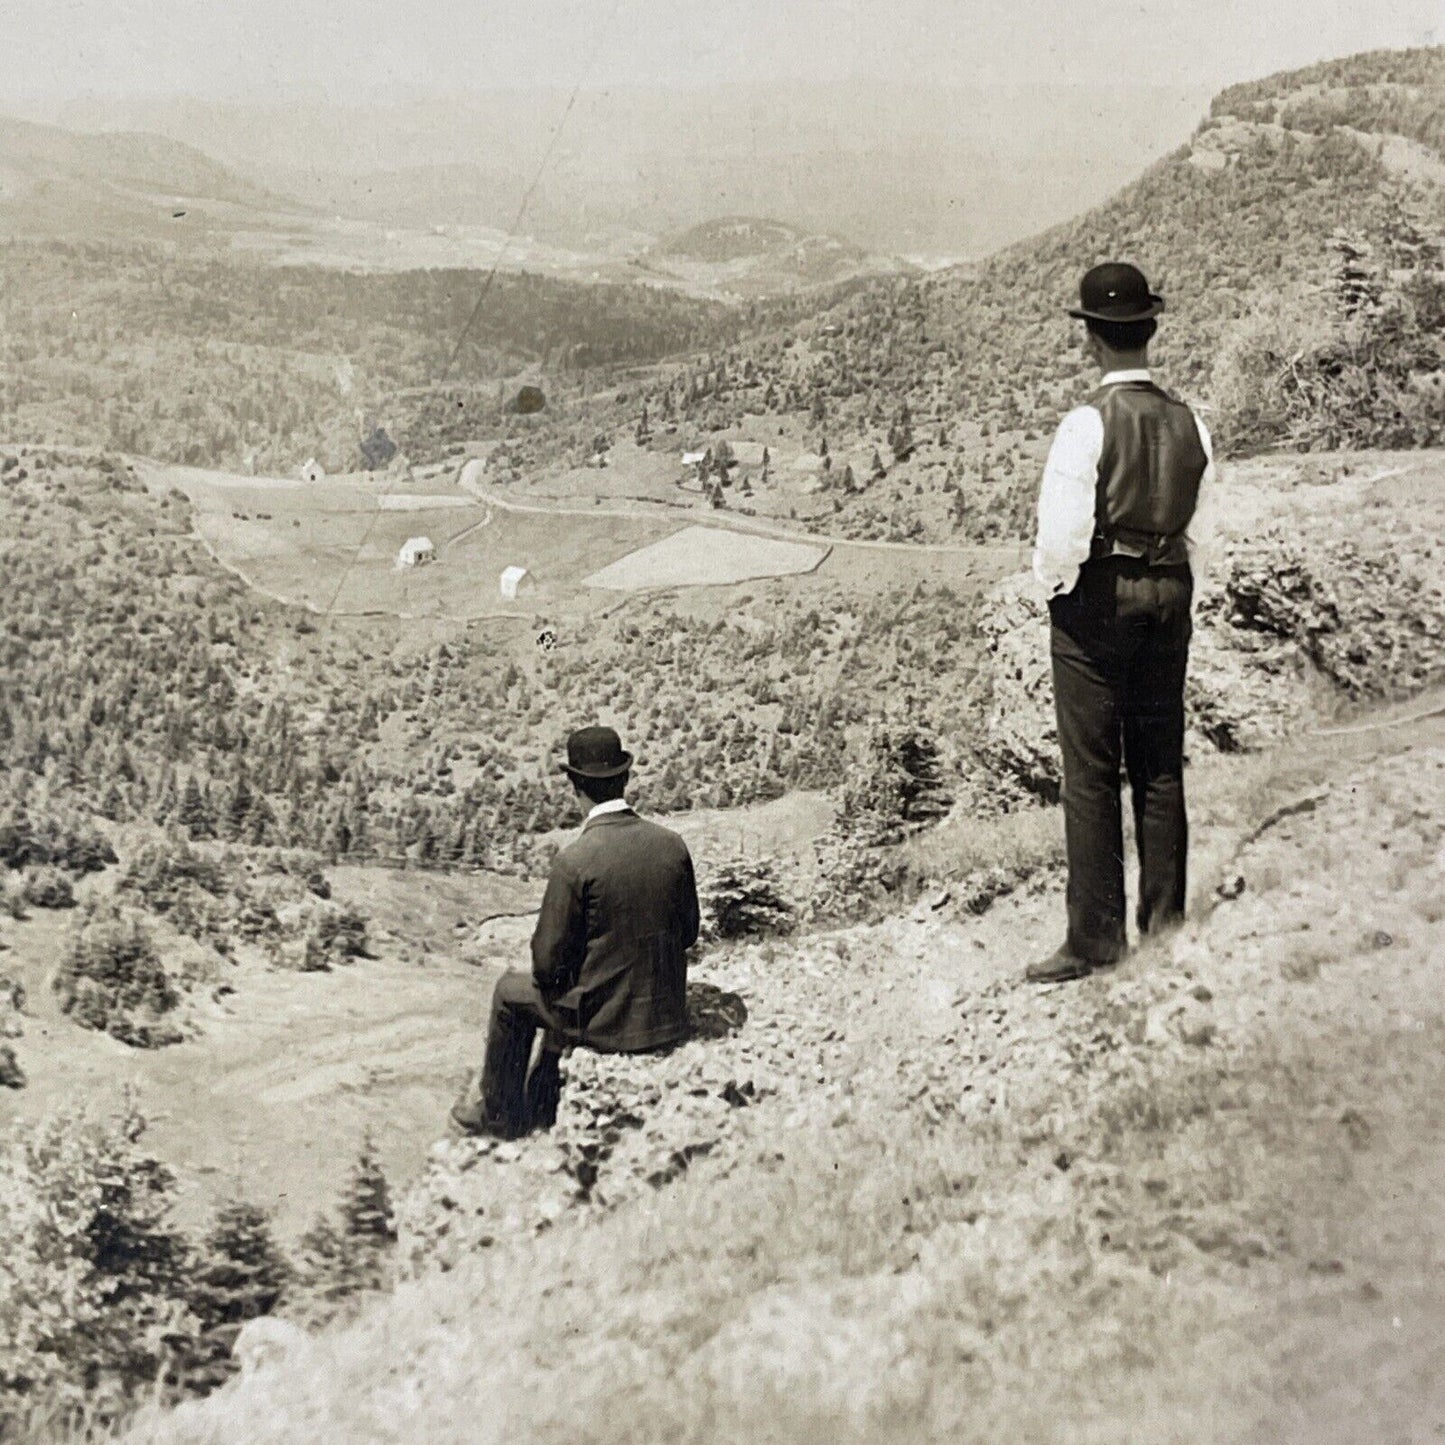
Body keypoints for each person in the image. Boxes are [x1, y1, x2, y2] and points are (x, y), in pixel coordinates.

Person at [1027, 262, 1216, 984]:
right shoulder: (1189, 421)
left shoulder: (1085, 425)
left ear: (1090, 340)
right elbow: (1205, 524)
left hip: (1099, 600)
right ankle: (1163, 922)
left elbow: (1062, 536)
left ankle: (1095, 938)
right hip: (1170, 591)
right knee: (1160, 762)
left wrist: (1057, 591)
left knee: (1091, 772)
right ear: (1149, 329)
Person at [451, 725, 701, 1137]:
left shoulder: (575, 861)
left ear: (575, 786)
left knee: (508, 994)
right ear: (624, 778)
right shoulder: (672, 845)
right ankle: (543, 1090)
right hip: (667, 1015)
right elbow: (688, 933)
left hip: (608, 1023)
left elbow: (546, 966)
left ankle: (500, 1115)